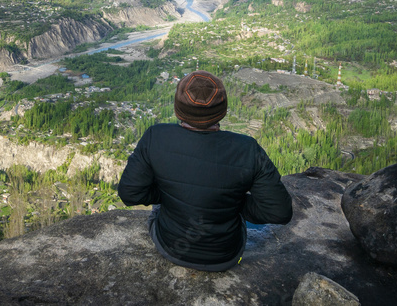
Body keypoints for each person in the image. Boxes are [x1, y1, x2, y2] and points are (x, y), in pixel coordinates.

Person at [118, 70, 293, 271]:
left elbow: (130, 194)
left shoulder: (155, 137)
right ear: (223, 110)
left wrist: (169, 194)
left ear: (178, 109)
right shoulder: (248, 149)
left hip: (170, 248)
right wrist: (232, 203)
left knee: (157, 209)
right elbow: (279, 212)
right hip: (226, 256)